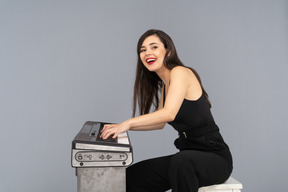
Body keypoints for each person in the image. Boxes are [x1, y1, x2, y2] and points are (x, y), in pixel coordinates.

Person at [101, 29, 233, 192]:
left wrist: (127, 124)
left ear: (168, 51)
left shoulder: (181, 72)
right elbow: (160, 123)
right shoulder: (165, 84)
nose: (147, 52)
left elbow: (168, 113)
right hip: (188, 155)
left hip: (216, 158)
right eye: (143, 50)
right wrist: (120, 127)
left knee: (182, 162)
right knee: (134, 175)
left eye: (154, 47)